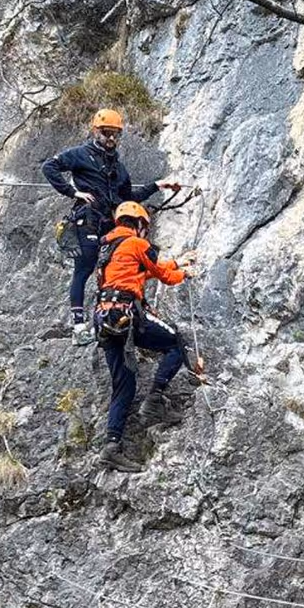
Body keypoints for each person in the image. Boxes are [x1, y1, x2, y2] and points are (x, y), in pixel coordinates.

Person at [42, 109, 181, 343]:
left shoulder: (119, 169)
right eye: (107, 133)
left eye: (116, 134)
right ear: (95, 131)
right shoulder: (80, 154)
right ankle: (78, 327)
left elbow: (128, 198)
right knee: (84, 268)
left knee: (109, 269)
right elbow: (49, 167)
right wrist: (73, 191)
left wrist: (158, 185)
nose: (111, 139)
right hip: (86, 221)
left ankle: (108, 316)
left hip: (108, 227)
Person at [94, 201, 195, 473]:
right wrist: (184, 273)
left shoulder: (108, 248)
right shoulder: (137, 244)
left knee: (123, 385)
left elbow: (143, 271)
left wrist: (177, 262)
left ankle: (111, 447)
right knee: (175, 342)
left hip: (105, 318)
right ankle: (154, 401)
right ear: (139, 225)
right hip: (126, 314)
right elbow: (163, 275)